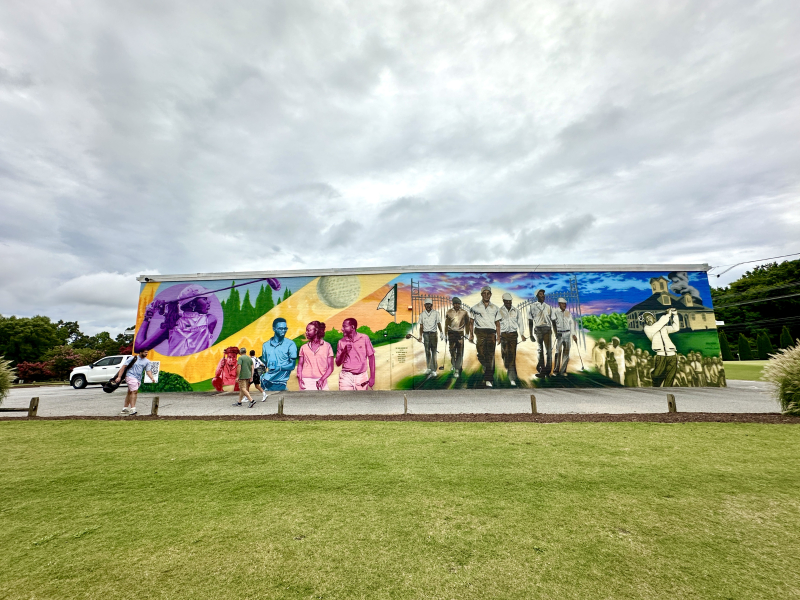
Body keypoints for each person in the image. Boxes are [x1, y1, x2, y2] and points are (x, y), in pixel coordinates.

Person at [135, 285, 218, 355]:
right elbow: (187, 319)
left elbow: (138, 348)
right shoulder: (210, 320)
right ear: (192, 304)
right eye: (204, 299)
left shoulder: (171, 324)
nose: (209, 301)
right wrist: (168, 311)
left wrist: (148, 316)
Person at [469, 286, 501, 388]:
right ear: (481, 294)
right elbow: (471, 322)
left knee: (490, 355)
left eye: (488, 293)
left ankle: (488, 378)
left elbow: (498, 323)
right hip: (480, 332)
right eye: (484, 293)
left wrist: (498, 336)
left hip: (491, 332)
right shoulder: (475, 307)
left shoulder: (495, 308)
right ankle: (486, 365)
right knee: (481, 353)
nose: (486, 295)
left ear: (490, 295)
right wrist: (471, 335)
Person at [260, 318, 298, 396]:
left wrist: (279, 368)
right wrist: (260, 376)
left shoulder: (290, 344)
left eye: (285, 328)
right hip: (265, 383)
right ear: (274, 329)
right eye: (280, 328)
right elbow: (263, 365)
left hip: (280, 383)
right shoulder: (266, 345)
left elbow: (292, 365)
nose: (283, 331)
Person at [642, 309, 680, 387]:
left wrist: (675, 315)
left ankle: (666, 391)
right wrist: (668, 315)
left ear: (654, 318)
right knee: (656, 376)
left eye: (650, 317)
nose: (648, 319)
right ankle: (656, 390)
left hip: (672, 355)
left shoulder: (663, 327)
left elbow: (676, 328)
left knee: (670, 378)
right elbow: (659, 324)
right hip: (661, 355)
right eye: (646, 319)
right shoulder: (647, 329)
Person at [336, 317, 375, 390]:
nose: (342, 329)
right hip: (346, 376)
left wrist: (372, 377)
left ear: (352, 327)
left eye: (345, 326)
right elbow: (338, 363)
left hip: (362, 376)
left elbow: (371, 357)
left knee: (362, 400)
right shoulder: (341, 342)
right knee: (345, 400)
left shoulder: (364, 338)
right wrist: (344, 352)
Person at [113, 349, 155, 416]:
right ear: (140, 352)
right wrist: (119, 377)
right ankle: (133, 408)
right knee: (134, 391)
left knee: (130, 392)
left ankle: (125, 408)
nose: (146, 354)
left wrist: (152, 378)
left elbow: (148, 371)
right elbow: (123, 367)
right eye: (145, 352)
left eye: (147, 352)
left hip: (138, 378)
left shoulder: (147, 361)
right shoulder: (133, 358)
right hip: (130, 376)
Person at [498, 293, 526, 385]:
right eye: (507, 301)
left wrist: (522, 334)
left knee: (512, 355)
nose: (509, 303)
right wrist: (497, 336)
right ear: (504, 301)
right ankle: (506, 363)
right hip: (504, 335)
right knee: (505, 353)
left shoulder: (516, 311)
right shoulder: (499, 311)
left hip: (513, 335)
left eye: (510, 301)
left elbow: (520, 323)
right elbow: (496, 324)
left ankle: (512, 378)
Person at [297, 321, 334, 391]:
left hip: (321, 381)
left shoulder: (327, 346)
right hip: (306, 382)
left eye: (309, 330)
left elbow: (331, 368)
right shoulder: (303, 347)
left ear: (316, 331)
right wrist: (300, 378)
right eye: (306, 330)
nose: (306, 333)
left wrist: (322, 379)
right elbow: (300, 365)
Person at [529, 289, 555, 378]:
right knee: (540, 351)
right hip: (538, 330)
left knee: (549, 351)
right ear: (537, 296)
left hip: (547, 329)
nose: (543, 296)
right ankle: (542, 370)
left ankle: (547, 371)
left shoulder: (548, 307)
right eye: (540, 294)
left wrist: (556, 332)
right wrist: (530, 334)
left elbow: (553, 320)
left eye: (543, 294)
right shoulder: (532, 306)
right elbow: (530, 321)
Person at [444, 297, 471, 378]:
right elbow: (446, 324)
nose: (457, 305)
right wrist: (445, 334)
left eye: (458, 303)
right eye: (455, 303)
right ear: (453, 304)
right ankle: (454, 364)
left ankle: (457, 369)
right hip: (451, 333)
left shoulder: (464, 312)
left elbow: (467, 323)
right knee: (452, 351)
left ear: (460, 304)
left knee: (459, 351)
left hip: (460, 334)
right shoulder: (449, 312)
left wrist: (467, 333)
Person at [551, 298, 577, 377]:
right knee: (557, 352)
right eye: (563, 304)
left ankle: (563, 371)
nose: (564, 305)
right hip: (559, 334)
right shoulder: (555, 311)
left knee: (566, 353)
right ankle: (556, 370)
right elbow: (553, 322)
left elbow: (571, 323)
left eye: (565, 304)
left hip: (567, 334)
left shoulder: (567, 313)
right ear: (559, 304)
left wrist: (573, 334)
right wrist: (556, 333)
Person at [418, 298, 444, 377]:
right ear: (424, 305)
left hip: (433, 334)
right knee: (427, 351)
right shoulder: (422, 315)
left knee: (434, 351)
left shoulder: (436, 313)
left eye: (429, 304)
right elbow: (421, 326)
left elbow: (439, 323)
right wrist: (420, 336)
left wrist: (441, 332)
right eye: (427, 304)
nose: (428, 306)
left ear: (432, 305)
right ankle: (428, 368)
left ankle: (433, 370)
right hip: (425, 335)